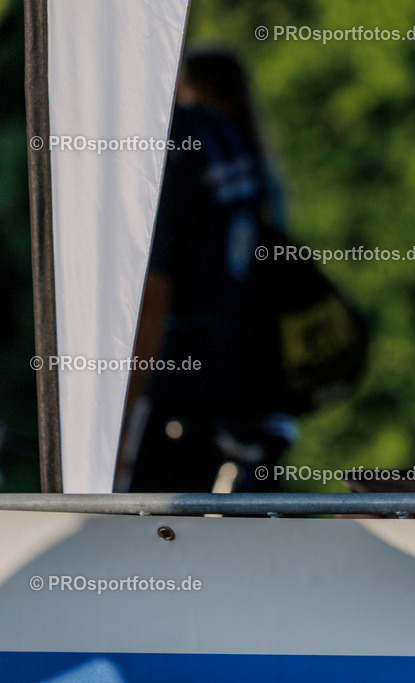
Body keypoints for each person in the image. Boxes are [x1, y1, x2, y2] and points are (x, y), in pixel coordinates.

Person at [120, 49, 295, 493]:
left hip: (179, 390)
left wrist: (121, 421)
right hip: (242, 378)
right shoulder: (235, 139)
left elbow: (154, 296)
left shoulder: (178, 145)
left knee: (147, 543)